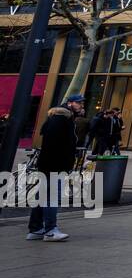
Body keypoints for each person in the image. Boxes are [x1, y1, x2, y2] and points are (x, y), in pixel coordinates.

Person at [26, 94, 83, 242]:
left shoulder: (58, 119)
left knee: (42, 196)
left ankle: (36, 229)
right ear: (70, 104)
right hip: (55, 165)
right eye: (79, 103)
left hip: (48, 164)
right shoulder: (62, 120)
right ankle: (50, 230)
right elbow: (57, 145)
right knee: (52, 196)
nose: (81, 106)